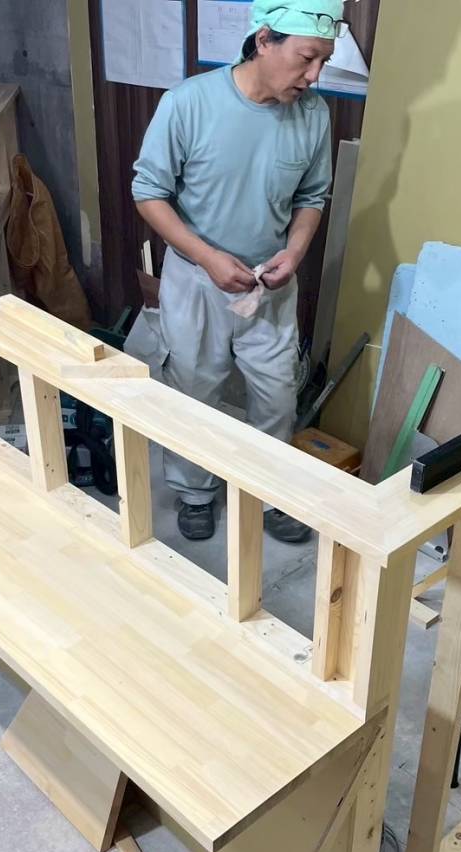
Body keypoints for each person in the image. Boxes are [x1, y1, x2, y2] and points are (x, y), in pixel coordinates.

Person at [131, 1, 339, 542]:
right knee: (193, 385)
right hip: (197, 279)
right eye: (307, 58)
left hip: (270, 282)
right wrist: (206, 256)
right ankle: (194, 491)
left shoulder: (313, 114)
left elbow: (312, 196)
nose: (314, 75)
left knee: (277, 393)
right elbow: (148, 193)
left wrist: (295, 252)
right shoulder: (188, 103)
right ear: (264, 40)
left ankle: (269, 493)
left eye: (324, 61)